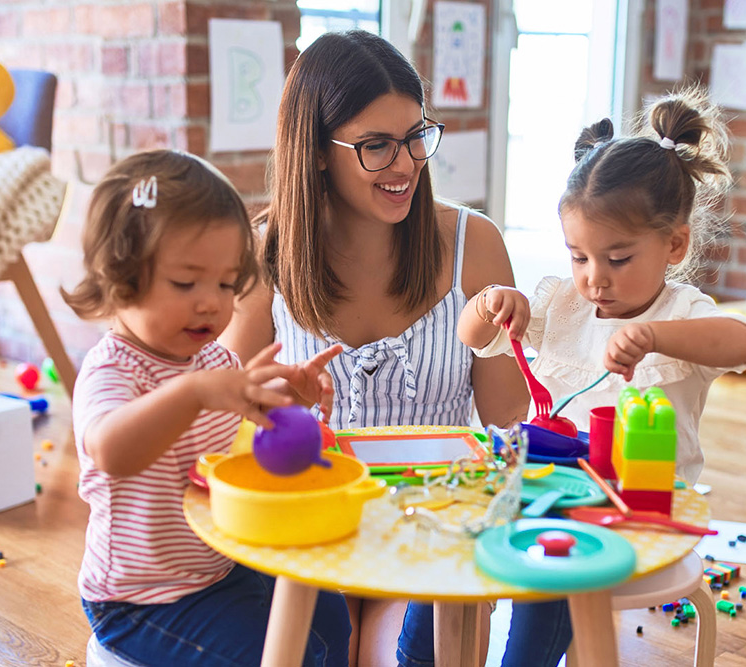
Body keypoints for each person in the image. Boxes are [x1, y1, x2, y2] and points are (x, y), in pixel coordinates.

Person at [220, 29, 572, 667]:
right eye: (376, 146)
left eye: (415, 137)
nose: (406, 164)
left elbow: (507, 430)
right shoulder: (264, 250)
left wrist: (510, 343)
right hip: (309, 532)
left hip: (429, 534)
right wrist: (273, 402)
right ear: (317, 153)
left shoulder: (474, 243)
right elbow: (223, 420)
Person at [63, 149, 350, 667]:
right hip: (142, 599)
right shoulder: (113, 371)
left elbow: (246, 422)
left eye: (224, 283)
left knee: (328, 617)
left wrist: (290, 400)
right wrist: (194, 392)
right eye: (185, 282)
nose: (211, 303)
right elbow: (111, 451)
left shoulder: (214, 358)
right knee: (289, 655)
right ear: (118, 276)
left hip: (221, 562)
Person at [458, 88, 746, 485]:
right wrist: (489, 304)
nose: (595, 277)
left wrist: (653, 336)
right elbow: (471, 337)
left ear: (674, 244)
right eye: (579, 257)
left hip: (647, 505)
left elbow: (743, 343)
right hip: (554, 489)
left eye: (618, 259)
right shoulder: (561, 304)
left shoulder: (680, 312)